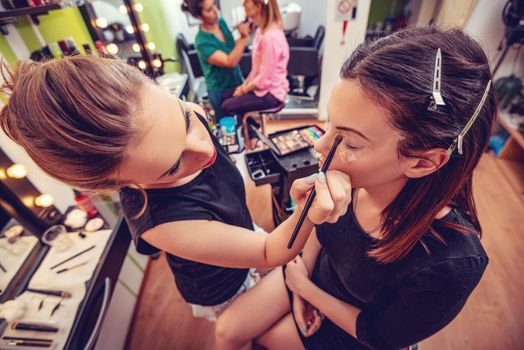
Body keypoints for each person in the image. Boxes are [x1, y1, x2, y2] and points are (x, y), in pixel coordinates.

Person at [0, 55, 351, 321]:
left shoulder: (191, 114)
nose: (205, 150)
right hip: (220, 285)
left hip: (244, 232)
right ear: (118, 185)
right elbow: (264, 252)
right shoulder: (162, 224)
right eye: (172, 166)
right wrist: (309, 214)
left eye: (184, 119)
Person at [215, 26, 494, 349]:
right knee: (227, 330)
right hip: (310, 274)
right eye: (330, 124)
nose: (321, 146)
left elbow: (379, 335)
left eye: (348, 140)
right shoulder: (353, 181)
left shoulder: (451, 264)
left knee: (262, 338)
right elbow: (321, 234)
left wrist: (306, 291)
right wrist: (302, 264)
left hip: (354, 329)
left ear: (421, 162)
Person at [181, 0, 250, 121]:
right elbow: (229, 62)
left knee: (244, 122)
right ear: (198, 16)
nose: (215, 10)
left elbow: (232, 48)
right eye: (209, 9)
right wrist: (244, 37)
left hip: (238, 82)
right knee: (229, 128)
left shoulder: (221, 23)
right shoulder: (202, 41)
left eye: (214, 4)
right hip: (220, 90)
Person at [221, 0, 289, 117]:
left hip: (271, 93)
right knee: (225, 96)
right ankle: (248, 131)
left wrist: (244, 90)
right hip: (262, 86)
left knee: (227, 106)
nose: (243, 4)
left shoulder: (270, 37)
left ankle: (250, 131)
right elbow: (256, 70)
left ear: (257, 7)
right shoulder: (260, 32)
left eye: (246, 1)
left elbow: (264, 79)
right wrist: (243, 86)